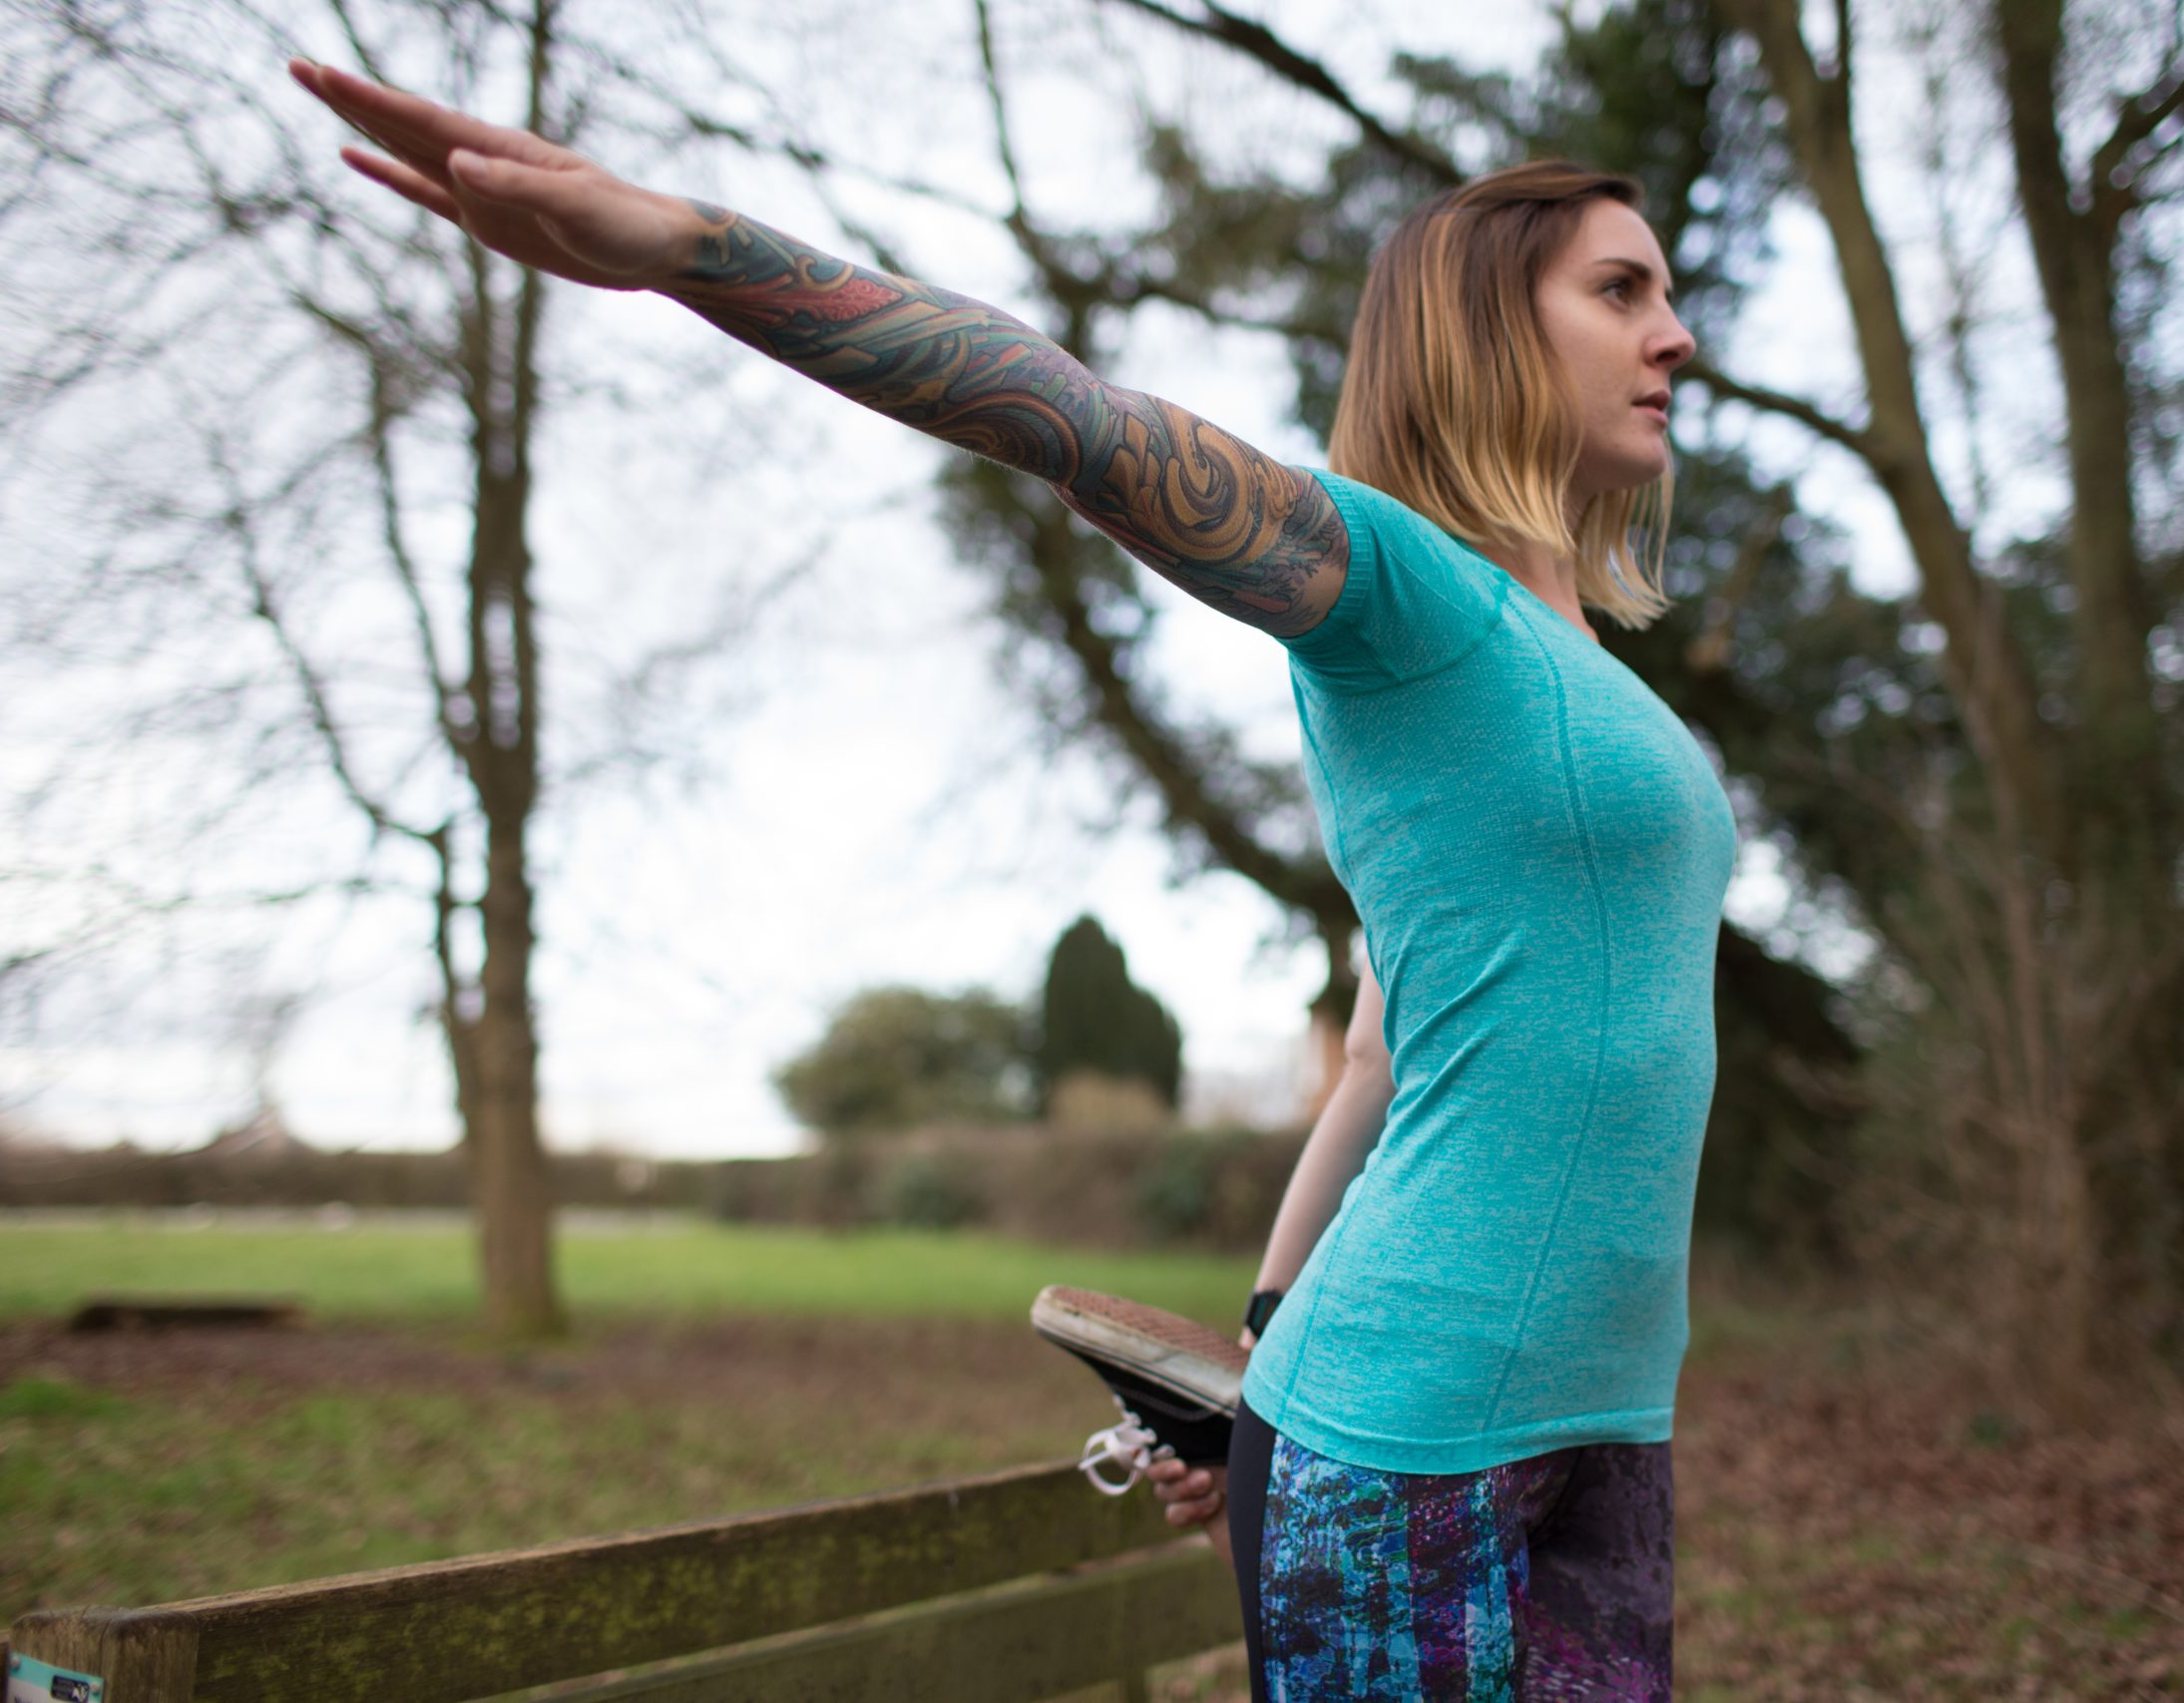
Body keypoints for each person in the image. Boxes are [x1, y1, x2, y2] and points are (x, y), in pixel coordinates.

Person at [291, 57, 1733, 1700]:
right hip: (1410, 1436)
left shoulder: (1580, 682)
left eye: (1666, 294)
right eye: (1620, 291)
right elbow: (1070, 418)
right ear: (1484, 334)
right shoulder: (1397, 590)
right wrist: (687, 247)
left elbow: (1381, 1052)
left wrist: (1249, 1347)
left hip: (1609, 1420)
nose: (1675, 335)